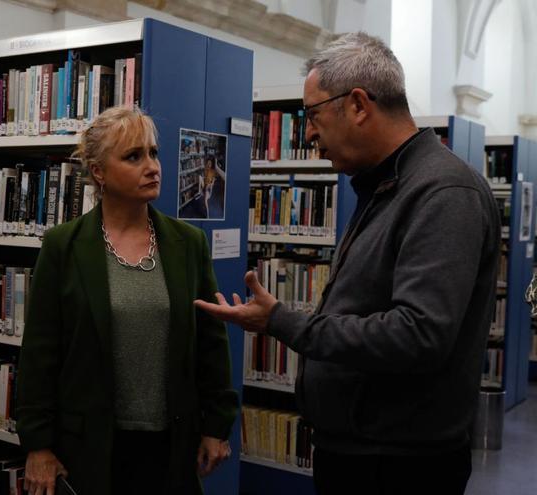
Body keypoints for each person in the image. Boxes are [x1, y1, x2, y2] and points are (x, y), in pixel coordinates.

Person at [196, 32, 500, 495]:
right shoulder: (385, 185)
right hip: (363, 451)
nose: (310, 133)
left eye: (313, 115)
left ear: (358, 104)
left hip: (398, 465)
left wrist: (282, 321)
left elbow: (418, 334)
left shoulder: (443, 193)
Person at [16, 106, 239, 495]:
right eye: (134, 157)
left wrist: (217, 426)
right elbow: (39, 354)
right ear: (99, 172)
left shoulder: (188, 244)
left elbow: (211, 342)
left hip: (172, 444)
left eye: (153, 153)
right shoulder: (63, 247)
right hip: (90, 446)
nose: (152, 166)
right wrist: (38, 444)